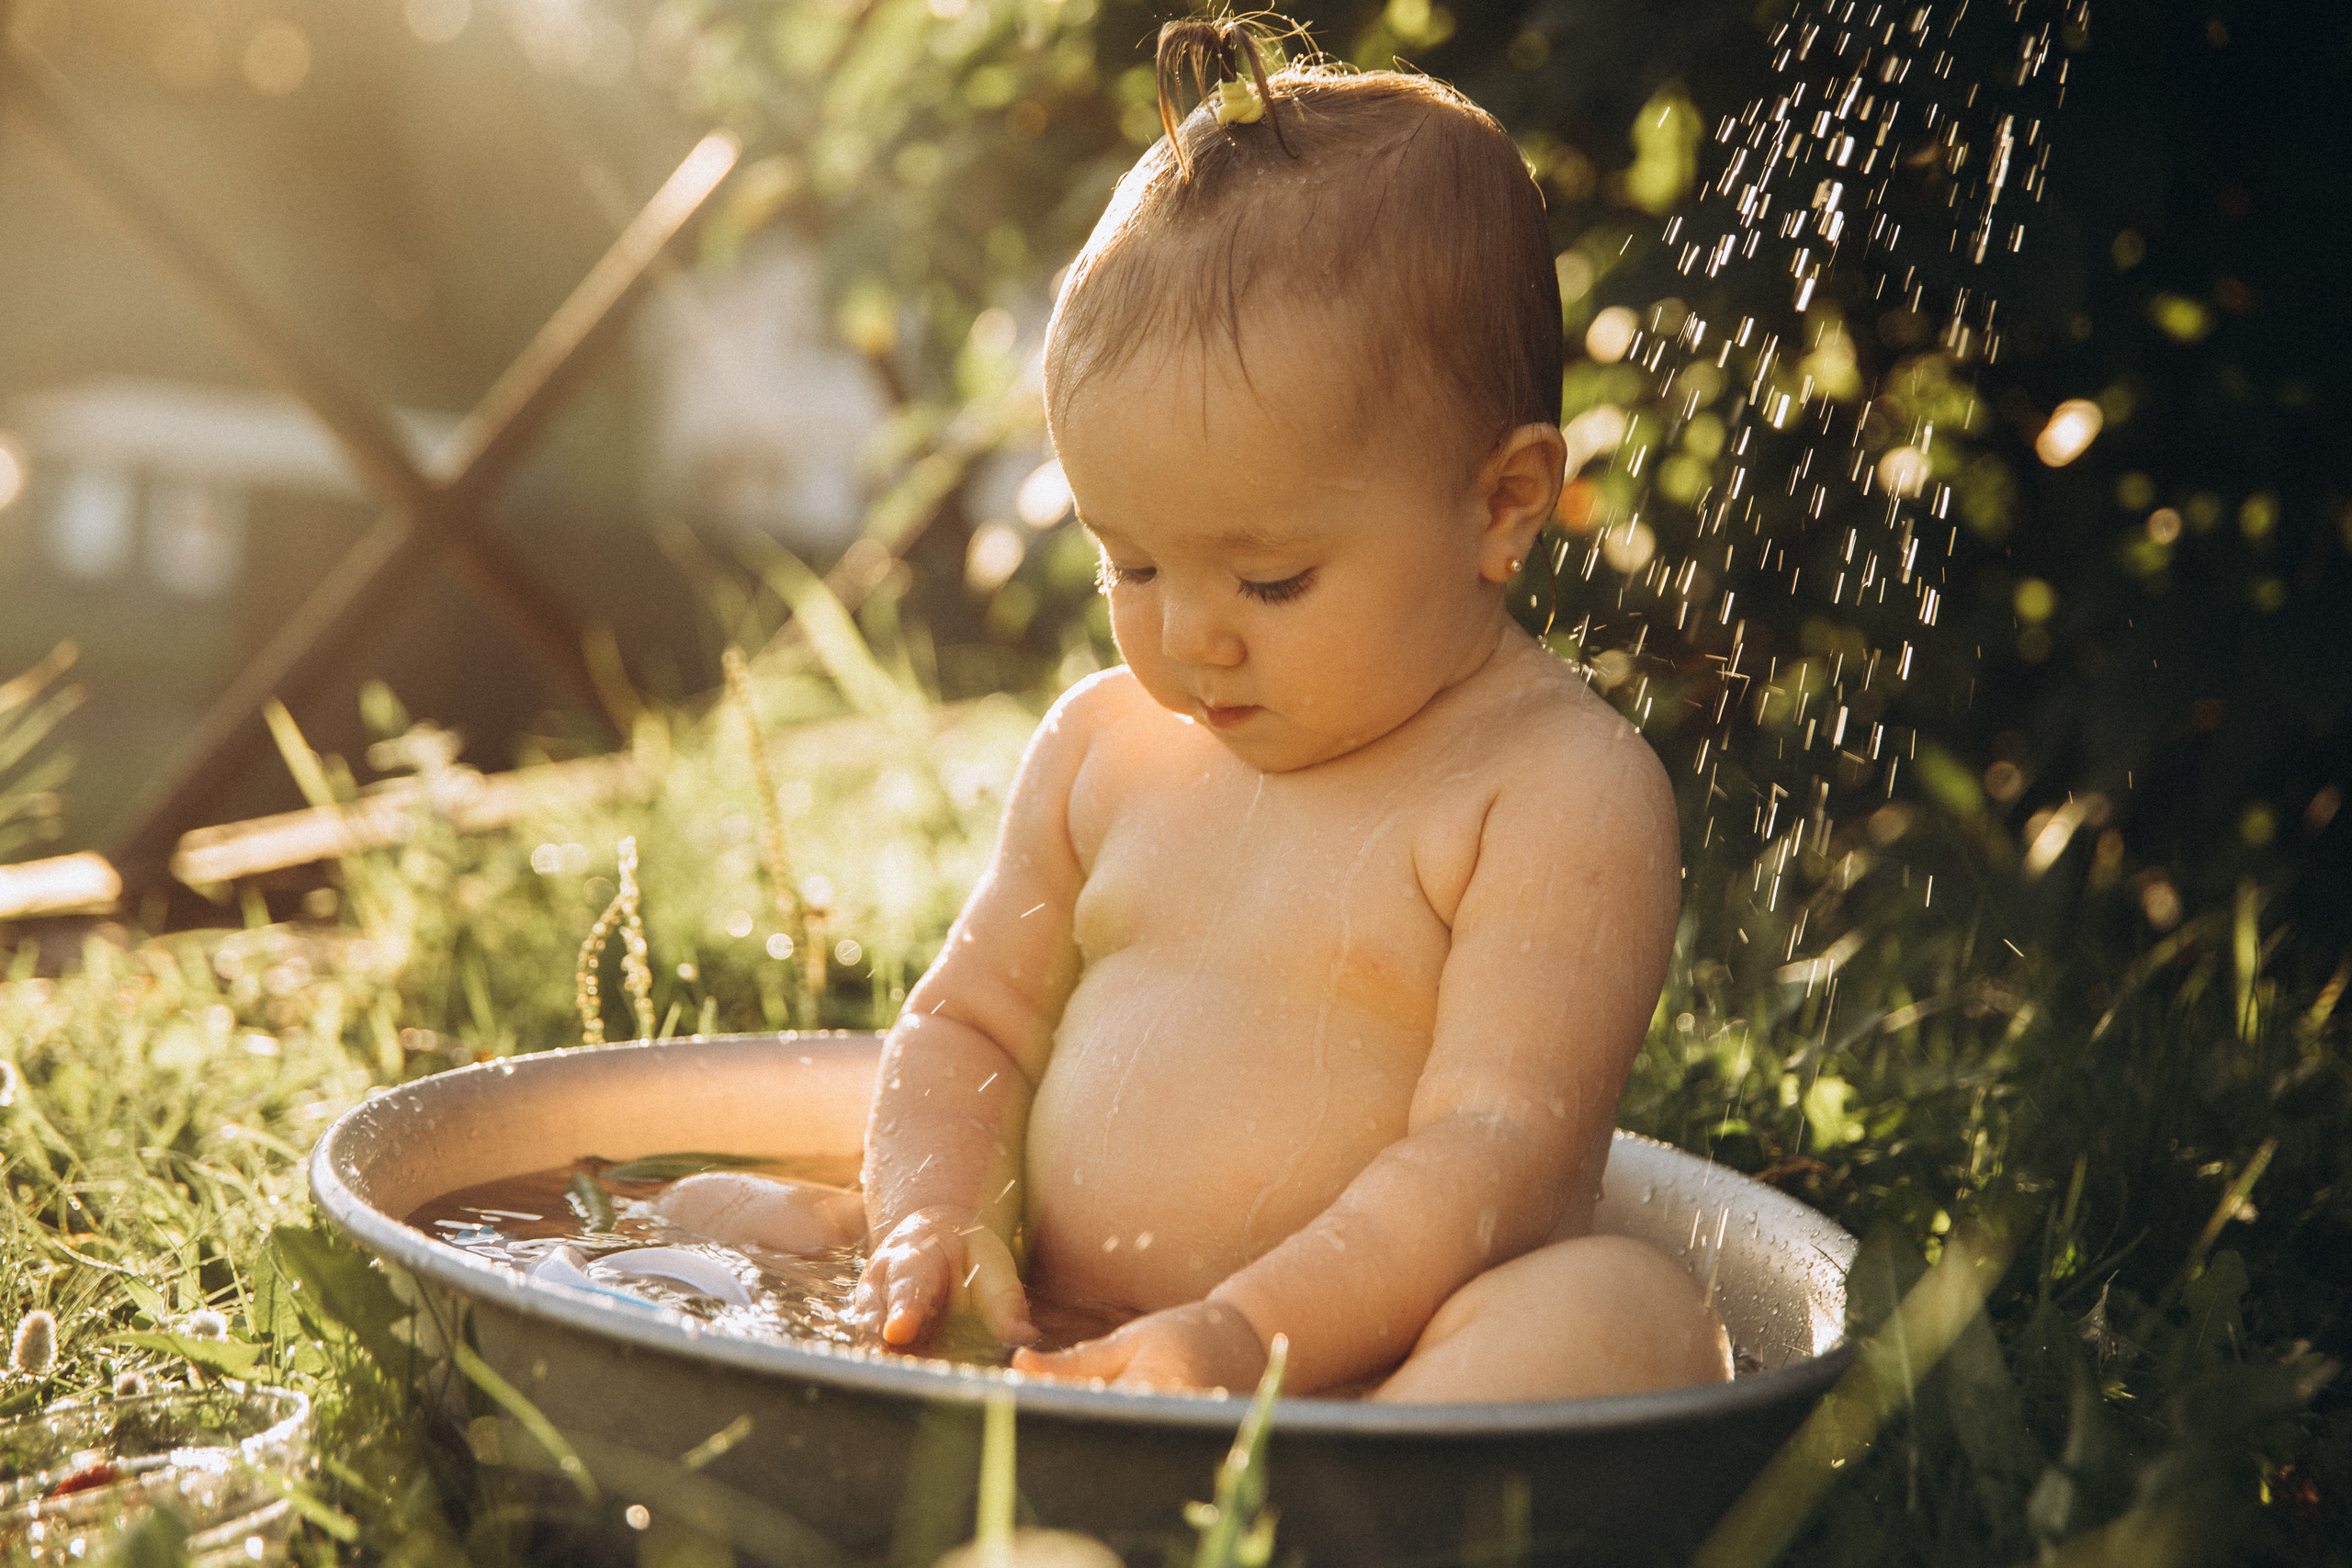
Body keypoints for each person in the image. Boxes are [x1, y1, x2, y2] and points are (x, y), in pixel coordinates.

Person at [666, 17, 1731, 1402]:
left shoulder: (1551, 793)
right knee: (703, 1214)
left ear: (1503, 505)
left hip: (1353, 1369)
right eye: (1133, 563)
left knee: (1619, 1317)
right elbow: (968, 1033)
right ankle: (925, 1393)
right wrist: (939, 1216)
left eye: (1273, 578)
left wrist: (1244, 1336)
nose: (1184, 634)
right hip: (1052, 1324)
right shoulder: (1107, 751)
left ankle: (1316, 1509)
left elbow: (1496, 1159)